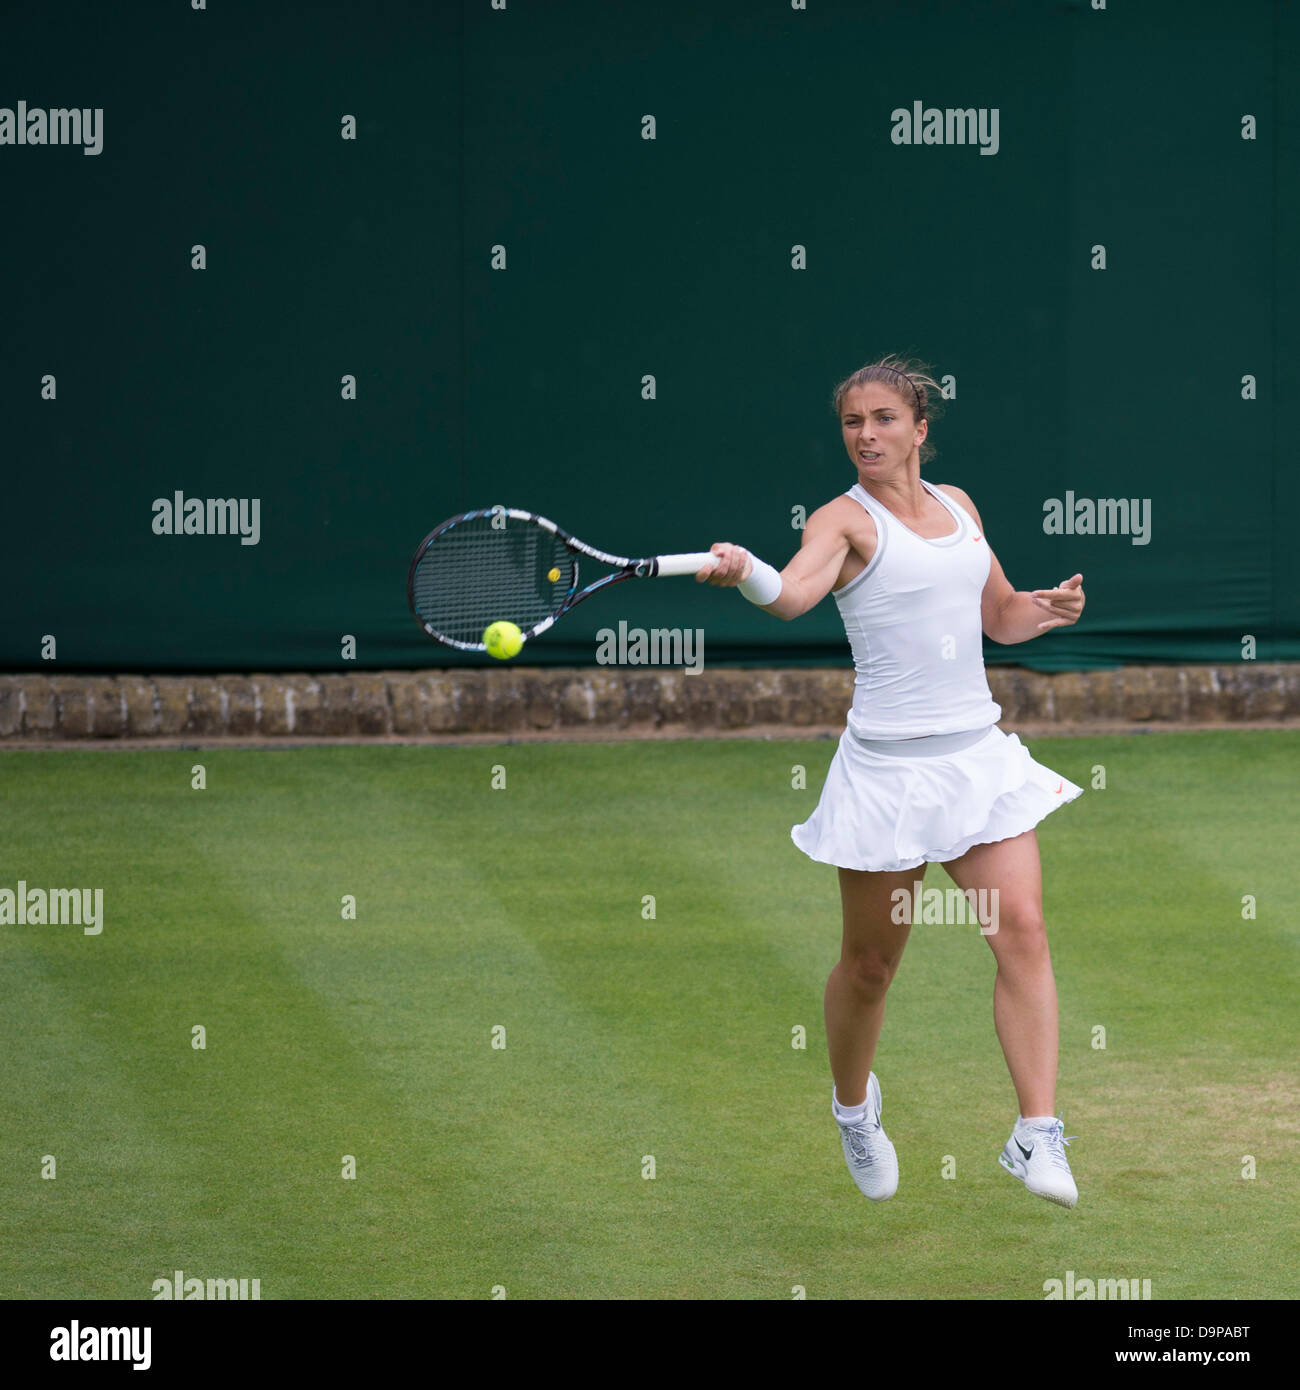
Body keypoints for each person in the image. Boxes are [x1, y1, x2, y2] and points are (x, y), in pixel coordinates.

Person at [699, 356, 1086, 1208]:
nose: (865, 435)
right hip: (887, 775)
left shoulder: (960, 507)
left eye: (881, 419)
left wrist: (1044, 607)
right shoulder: (843, 521)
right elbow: (793, 597)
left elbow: (999, 616)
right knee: (871, 966)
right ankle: (853, 1108)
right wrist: (747, 572)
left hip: (975, 760)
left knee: (1020, 926)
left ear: (919, 428)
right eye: (851, 422)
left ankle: (1036, 1133)